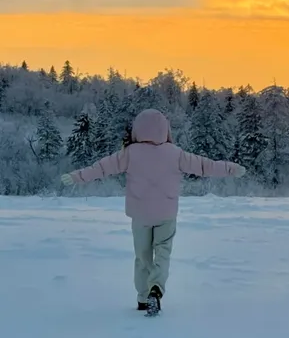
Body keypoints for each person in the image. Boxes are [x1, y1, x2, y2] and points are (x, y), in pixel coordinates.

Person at [61, 107, 245, 315]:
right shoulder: (175, 154)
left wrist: (76, 177)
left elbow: (101, 168)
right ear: (165, 130)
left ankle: (142, 298)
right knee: (163, 254)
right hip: (166, 214)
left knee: (142, 257)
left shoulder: (130, 153)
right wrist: (231, 168)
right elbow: (205, 166)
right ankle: (156, 288)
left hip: (140, 215)